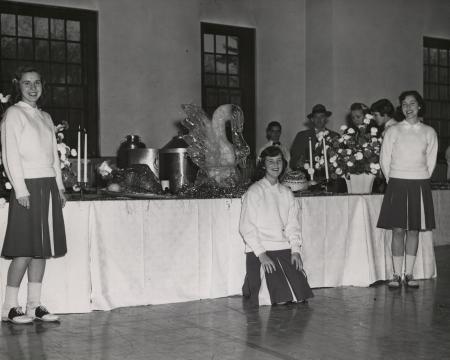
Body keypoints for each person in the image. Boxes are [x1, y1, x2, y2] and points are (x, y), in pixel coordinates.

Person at [1, 67, 67, 324]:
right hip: (27, 187)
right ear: (19, 86)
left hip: (48, 186)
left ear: (42, 86)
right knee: (24, 250)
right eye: (27, 83)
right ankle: (8, 307)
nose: (32, 88)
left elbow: (53, 157)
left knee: (41, 249)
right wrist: (20, 189)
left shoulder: (45, 117)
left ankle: (34, 305)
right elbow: (10, 155)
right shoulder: (14, 114)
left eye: (37, 83)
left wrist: (59, 187)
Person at [377, 90, 438, 289]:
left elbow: (431, 160)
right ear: (400, 108)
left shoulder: (429, 132)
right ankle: (396, 274)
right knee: (397, 230)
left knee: (414, 230)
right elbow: (384, 159)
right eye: (404, 104)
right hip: (397, 182)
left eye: (412, 103)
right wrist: (393, 180)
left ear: (419, 106)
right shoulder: (393, 131)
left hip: (419, 183)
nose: (408, 108)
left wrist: (419, 178)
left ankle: (409, 274)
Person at [240, 146, 313, 306]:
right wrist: (262, 255)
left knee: (300, 296)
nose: (275, 165)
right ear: (263, 165)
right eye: (270, 161)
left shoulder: (286, 193)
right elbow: (246, 227)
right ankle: (252, 281)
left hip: (282, 248)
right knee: (279, 299)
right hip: (261, 250)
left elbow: (293, 225)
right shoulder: (255, 191)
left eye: (279, 161)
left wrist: (295, 251)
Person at [290, 104, 338, 172]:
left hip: (330, 177)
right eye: (316, 117)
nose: (319, 119)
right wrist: (298, 164)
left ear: (326, 118)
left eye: (322, 116)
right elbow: (294, 160)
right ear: (312, 119)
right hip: (307, 177)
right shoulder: (301, 136)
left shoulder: (334, 136)